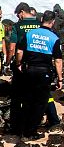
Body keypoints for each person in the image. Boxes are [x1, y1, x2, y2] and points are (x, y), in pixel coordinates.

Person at [15, 10, 63, 140]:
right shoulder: (54, 38)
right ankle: (31, 131)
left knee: (27, 100)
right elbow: (58, 60)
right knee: (40, 102)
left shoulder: (30, 33)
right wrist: (60, 78)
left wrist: (18, 63)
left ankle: (22, 129)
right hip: (44, 72)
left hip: (29, 70)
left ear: (41, 19)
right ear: (52, 22)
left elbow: (19, 51)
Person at [7, 2, 41, 134]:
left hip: (21, 65)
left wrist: (9, 62)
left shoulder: (18, 26)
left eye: (18, 15)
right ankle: (31, 127)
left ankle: (16, 127)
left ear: (22, 12)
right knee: (33, 97)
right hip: (37, 64)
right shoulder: (39, 24)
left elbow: (12, 47)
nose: (18, 17)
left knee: (17, 97)